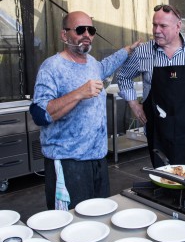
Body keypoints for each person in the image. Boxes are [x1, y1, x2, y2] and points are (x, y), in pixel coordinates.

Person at [30, 11, 140, 210]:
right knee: (71, 223)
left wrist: (127, 50)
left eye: (91, 30)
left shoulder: (92, 64)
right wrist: (79, 93)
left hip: (97, 158)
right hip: (68, 161)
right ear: (64, 35)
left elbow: (107, 65)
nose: (87, 34)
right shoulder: (52, 67)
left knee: (98, 216)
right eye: (80, 30)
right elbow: (40, 114)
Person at [116, 4, 185, 168]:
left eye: (163, 26)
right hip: (157, 129)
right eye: (155, 24)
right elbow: (123, 76)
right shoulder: (143, 53)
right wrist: (134, 104)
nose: (156, 30)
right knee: (162, 177)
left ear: (178, 26)